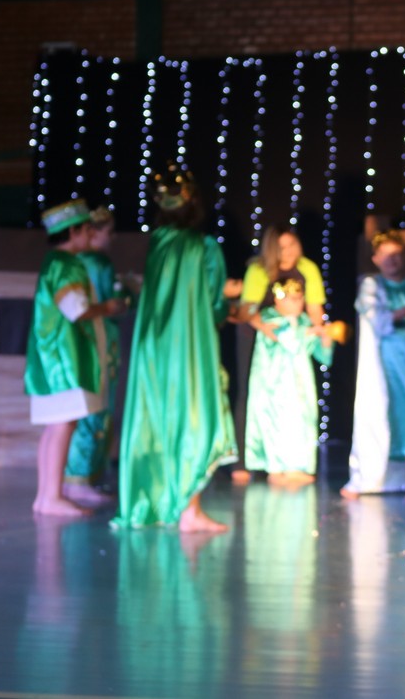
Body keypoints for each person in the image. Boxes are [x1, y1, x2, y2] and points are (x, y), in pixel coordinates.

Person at [114, 165, 238, 532]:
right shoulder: (204, 247)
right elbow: (215, 303)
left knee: (156, 417)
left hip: (154, 346)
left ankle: (155, 502)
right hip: (190, 346)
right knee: (193, 413)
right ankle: (189, 510)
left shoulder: (158, 242)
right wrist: (227, 305)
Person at [25, 198, 123, 517]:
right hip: (63, 362)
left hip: (52, 360)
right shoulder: (66, 265)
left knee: (55, 427)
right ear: (74, 232)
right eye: (86, 230)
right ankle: (51, 496)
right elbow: (76, 310)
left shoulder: (53, 262)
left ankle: (46, 496)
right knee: (62, 426)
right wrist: (107, 307)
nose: (91, 235)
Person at [342, 229, 405, 500]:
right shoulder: (372, 285)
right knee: (393, 414)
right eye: (386, 255)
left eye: (396, 254)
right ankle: (381, 477)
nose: (392, 261)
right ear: (375, 259)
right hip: (389, 360)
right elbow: (378, 320)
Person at [233, 224, 327, 485]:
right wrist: (263, 326)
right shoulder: (259, 270)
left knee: (292, 398)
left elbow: (315, 308)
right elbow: (246, 310)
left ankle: (288, 462)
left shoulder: (307, 268)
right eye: (281, 247)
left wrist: (319, 330)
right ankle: (245, 461)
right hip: (258, 336)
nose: (288, 252)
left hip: (291, 338)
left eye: (292, 245)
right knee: (251, 393)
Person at [243, 278, 336, 484]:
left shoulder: (304, 320)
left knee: (301, 420)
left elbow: (322, 357)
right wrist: (311, 331)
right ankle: (275, 468)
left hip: (300, 382)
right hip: (274, 381)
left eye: (300, 298)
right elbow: (284, 337)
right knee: (275, 419)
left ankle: (296, 467)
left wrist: (325, 339)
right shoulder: (268, 317)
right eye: (291, 299)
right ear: (278, 300)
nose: (297, 303)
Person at [63, 205, 126, 506]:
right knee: (95, 406)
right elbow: (108, 306)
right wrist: (125, 298)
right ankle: (81, 477)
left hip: (83, 341)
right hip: (99, 340)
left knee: (85, 406)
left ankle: (79, 476)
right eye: (107, 232)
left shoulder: (75, 262)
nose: (111, 238)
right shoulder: (97, 263)